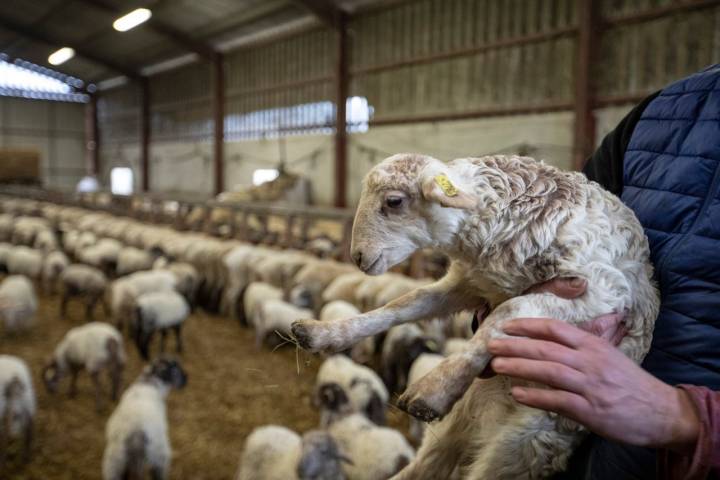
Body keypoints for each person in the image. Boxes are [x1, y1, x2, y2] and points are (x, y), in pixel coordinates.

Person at [487, 64, 720, 480]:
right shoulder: (666, 112)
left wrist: (685, 419)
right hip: (567, 452)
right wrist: (509, 306)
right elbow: (543, 240)